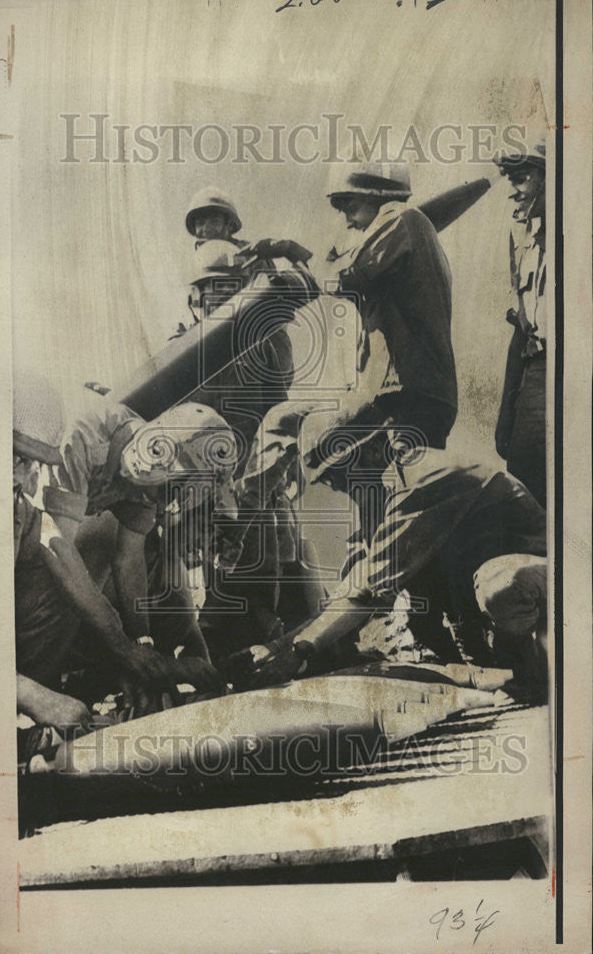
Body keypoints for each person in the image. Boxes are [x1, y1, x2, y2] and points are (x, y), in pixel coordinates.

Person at [234, 404, 548, 700]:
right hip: (499, 606)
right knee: (419, 615)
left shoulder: (422, 476)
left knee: (502, 584)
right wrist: (278, 645)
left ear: (371, 451)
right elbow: (354, 586)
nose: (339, 488)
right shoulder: (386, 490)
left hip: (545, 589)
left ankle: (527, 670)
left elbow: (368, 593)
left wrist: (299, 651)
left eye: (338, 476)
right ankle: (507, 669)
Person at [14, 373, 224, 727]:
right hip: (32, 556)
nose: (159, 496)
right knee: (70, 585)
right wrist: (120, 647)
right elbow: (57, 550)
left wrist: (142, 647)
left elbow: (130, 560)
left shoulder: (151, 475)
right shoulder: (82, 437)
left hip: (48, 548)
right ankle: (22, 693)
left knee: (97, 579)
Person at [181, 189, 319, 655]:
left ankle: (291, 636)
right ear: (193, 296)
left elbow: (279, 413)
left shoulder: (262, 339)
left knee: (278, 560)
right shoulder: (179, 348)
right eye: (206, 292)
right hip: (201, 476)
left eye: (225, 289)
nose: (213, 300)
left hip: (254, 467)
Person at [326, 161, 457, 450]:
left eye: (351, 208)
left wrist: (333, 255)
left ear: (376, 197)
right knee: (395, 486)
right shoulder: (411, 229)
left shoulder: (401, 219)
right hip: (409, 392)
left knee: (406, 487)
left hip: (410, 394)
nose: (349, 222)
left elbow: (344, 279)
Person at [493, 140, 546, 507]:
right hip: (535, 376)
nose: (513, 192)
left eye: (522, 179)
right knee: (524, 483)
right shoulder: (522, 239)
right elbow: (521, 329)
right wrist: (505, 412)